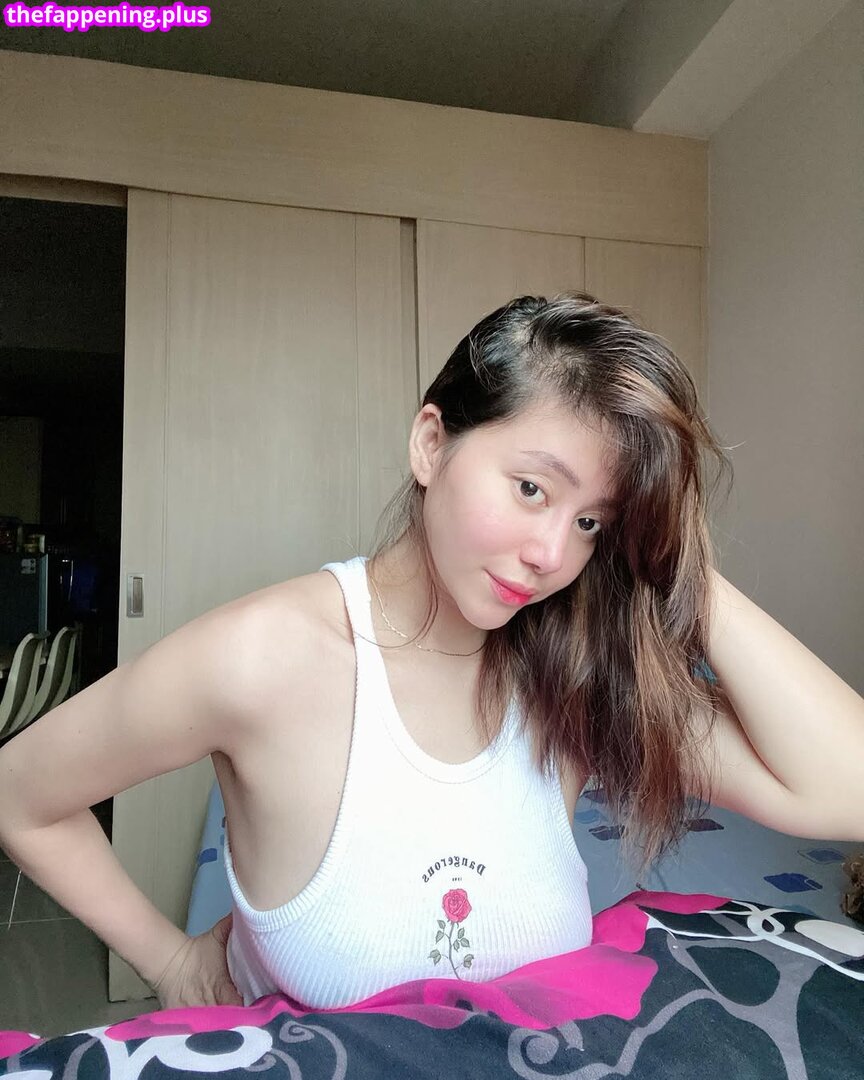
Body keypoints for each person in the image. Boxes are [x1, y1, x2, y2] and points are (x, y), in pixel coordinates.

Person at [0, 292, 861, 1015]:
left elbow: (845, 790)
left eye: (592, 522)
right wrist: (171, 961)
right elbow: (21, 793)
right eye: (532, 488)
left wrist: (680, 567)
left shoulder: (576, 672)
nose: (552, 554)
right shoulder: (265, 656)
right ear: (431, 443)